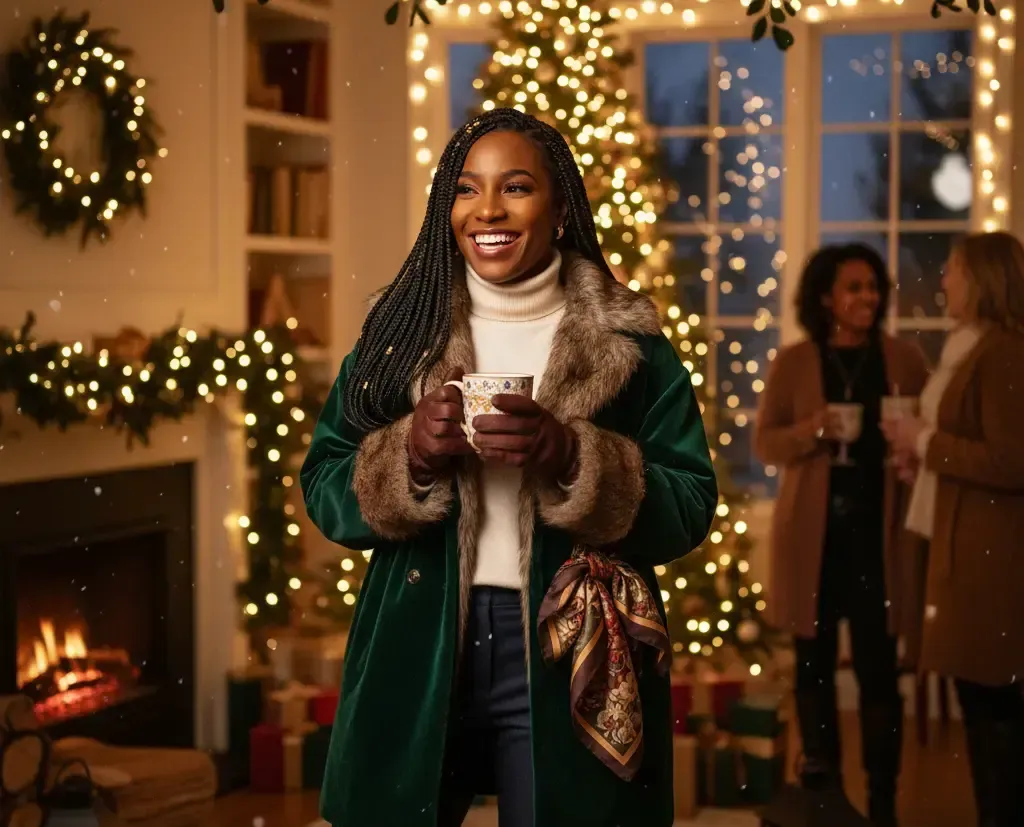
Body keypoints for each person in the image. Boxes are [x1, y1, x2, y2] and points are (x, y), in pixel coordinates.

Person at [300, 108, 718, 827]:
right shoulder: (400, 335)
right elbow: (324, 483)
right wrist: (407, 454)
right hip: (419, 639)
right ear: (446, 209)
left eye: (516, 187)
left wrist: (573, 458)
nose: (487, 209)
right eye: (466, 189)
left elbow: (690, 503)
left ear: (559, 211)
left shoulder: (630, 344)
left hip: (568, 649)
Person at [754, 244, 928, 826]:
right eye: (854, 288)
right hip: (814, 540)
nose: (867, 298)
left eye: (873, 287)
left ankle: (882, 800)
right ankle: (822, 788)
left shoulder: (904, 359)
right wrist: (811, 430)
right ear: (826, 297)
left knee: (880, 670)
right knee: (814, 666)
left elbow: (928, 435)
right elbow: (765, 444)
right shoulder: (797, 361)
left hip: (880, 540)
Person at [882, 231, 1024, 827]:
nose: (944, 282)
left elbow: (1012, 460)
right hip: (962, 544)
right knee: (982, 708)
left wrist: (928, 442)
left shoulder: (1005, 352)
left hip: (990, 560)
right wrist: (923, 457)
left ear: (984, 280)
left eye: (955, 271)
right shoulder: (973, 346)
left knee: (994, 711)